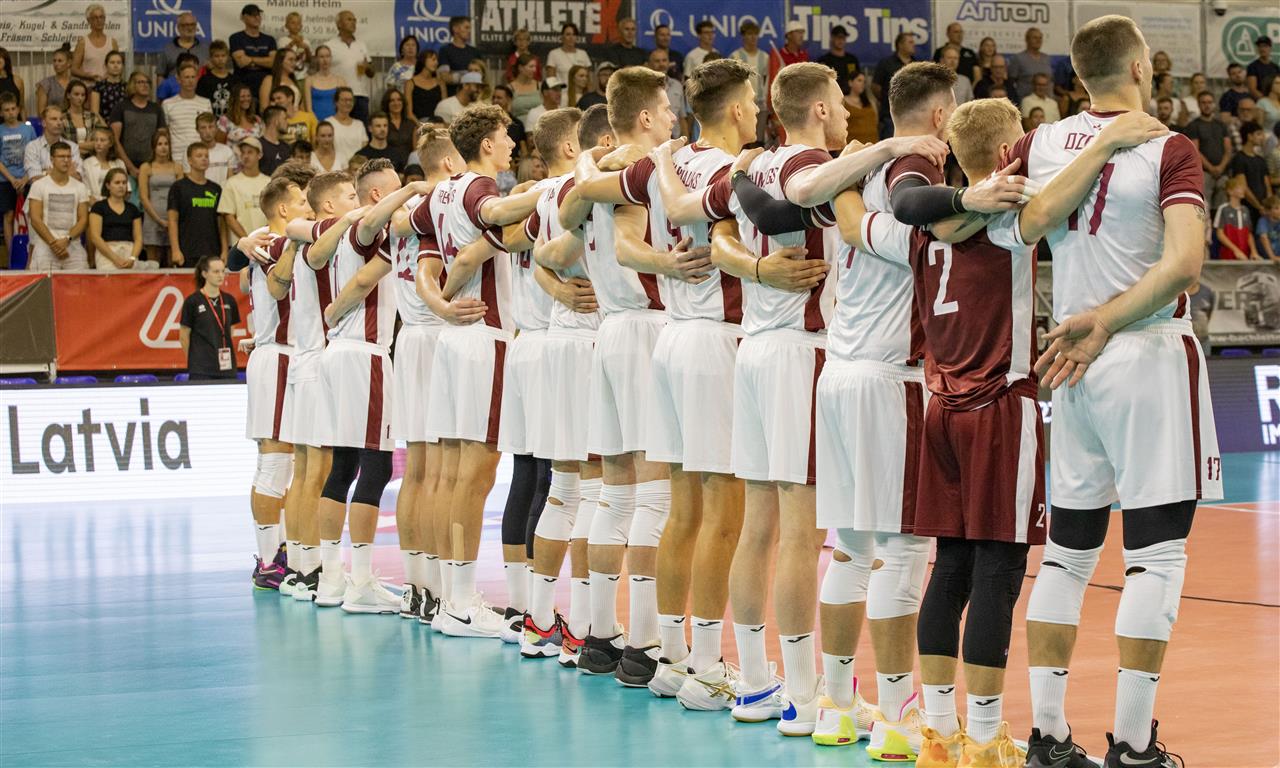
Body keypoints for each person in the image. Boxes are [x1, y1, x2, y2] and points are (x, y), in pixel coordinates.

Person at [1013, 15, 1222, 767]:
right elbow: (1185, 265)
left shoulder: (1039, 143)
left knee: (1066, 559)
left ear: (1077, 77)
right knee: (1155, 559)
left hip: (1068, 363)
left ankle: (1046, 737)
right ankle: (1134, 748)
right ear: (1140, 67)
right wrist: (1105, 320)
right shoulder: (1170, 147)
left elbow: (1022, 222)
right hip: (1141, 351)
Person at [405, 105, 541, 633]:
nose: (512, 144)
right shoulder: (478, 188)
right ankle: (462, 602)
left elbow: (423, 263)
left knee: (446, 476)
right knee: (474, 477)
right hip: (485, 336)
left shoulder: (438, 194)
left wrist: (439, 305)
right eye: (506, 136)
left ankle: (446, 595)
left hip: (451, 340)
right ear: (486, 144)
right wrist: (556, 188)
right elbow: (499, 214)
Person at [309, 162, 429, 612]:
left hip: (339, 352)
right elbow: (363, 271)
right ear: (378, 195)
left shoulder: (334, 231)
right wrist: (413, 188)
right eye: (395, 187)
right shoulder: (364, 230)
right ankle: (359, 582)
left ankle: (331, 578)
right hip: (363, 354)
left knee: (341, 467)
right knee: (376, 468)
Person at [239, 176, 305, 590]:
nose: (309, 206)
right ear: (283, 209)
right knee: (275, 463)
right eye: (302, 200)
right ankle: (268, 561)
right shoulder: (276, 244)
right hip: (279, 357)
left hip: (279, 354)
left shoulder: (263, 243)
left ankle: (278, 552)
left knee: (286, 463)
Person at [26, 140, 89, 271]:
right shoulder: (39, 185)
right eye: (61, 156)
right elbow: (35, 219)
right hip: (45, 246)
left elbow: (83, 219)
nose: (66, 160)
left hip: (72, 245)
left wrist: (67, 239)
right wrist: (54, 244)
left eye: (69, 156)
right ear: (52, 159)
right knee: (43, 284)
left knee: (80, 283)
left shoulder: (80, 187)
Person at [180, 256, 241, 379]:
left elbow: (230, 331)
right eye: (216, 272)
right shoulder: (193, 301)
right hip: (201, 370)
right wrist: (194, 361)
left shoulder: (229, 300)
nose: (221, 275)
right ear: (204, 274)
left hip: (227, 367)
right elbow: (183, 336)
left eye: (223, 271)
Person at [167, 143, 225, 267]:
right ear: (189, 160)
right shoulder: (178, 187)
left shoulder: (216, 189)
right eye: (199, 156)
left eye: (206, 156)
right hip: (187, 250)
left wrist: (224, 250)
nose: (204, 159)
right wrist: (175, 250)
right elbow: (172, 220)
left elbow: (221, 222)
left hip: (212, 250)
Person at [88, 168, 146, 270]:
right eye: (117, 183)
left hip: (129, 252)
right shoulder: (98, 207)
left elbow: (138, 238)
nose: (121, 186)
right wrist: (115, 258)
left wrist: (132, 258)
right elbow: (95, 237)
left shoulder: (133, 209)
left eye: (124, 183)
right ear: (108, 185)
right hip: (107, 253)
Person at [1184, 90, 1232, 208]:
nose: (1207, 105)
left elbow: (1228, 150)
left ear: (1214, 104)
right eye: (1203, 102)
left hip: (1222, 172)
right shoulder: (1193, 126)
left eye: (1210, 102)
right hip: (1204, 172)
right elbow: (1195, 150)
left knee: (1222, 207)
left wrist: (1221, 167)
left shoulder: (1221, 125)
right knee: (1204, 207)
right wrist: (1211, 168)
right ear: (1198, 104)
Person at [0, 93, 32, 262]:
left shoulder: (28, 129)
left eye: (13, 109)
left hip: (26, 178)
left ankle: (30, 254)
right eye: (6, 110)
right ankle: (11, 255)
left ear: (18, 110)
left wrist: (25, 178)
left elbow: (35, 154)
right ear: (1, 112)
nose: (11, 112)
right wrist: (12, 179)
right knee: (9, 215)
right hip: (5, 180)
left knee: (30, 215)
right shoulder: (0, 130)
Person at [325, 10, 373, 121]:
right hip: (339, 96)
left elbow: (371, 73)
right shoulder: (330, 45)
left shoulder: (362, 45)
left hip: (360, 95)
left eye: (354, 20)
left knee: (361, 128)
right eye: (349, 19)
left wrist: (368, 67)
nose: (353, 22)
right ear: (339, 24)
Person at [218, 137, 269, 242]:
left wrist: (262, 240)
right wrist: (249, 241)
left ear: (259, 155)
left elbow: (275, 215)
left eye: (250, 152)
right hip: (241, 244)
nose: (245, 156)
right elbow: (229, 217)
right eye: (243, 153)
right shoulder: (231, 183)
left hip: (266, 242)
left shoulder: (269, 182)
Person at [139, 129, 178, 264]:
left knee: (172, 261)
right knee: (153, 263)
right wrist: (159, 220)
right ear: (153, 147)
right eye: (159, 144)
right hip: (152, 218)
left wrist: (172, 221)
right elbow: (143, 197)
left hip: (173, 219)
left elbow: (181, 195)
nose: (163, 147)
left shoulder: (177, 167)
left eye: (166, 144)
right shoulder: (146, 167)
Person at [163, 62, 213, 164]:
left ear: (197, 79)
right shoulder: (167, 104)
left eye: (193, 77)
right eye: (186, 77)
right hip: (177, 159)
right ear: (178, 79)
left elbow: (210, 132)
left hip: (201, 158)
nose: (190, 81)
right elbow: (165, 134)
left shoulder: (206, 103)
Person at [230, 4, 277, 106]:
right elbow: (241, 62)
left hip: (266, 86)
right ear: (244, 18)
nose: (257, 18)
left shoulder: (269, 39)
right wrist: (264, 61)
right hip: (243, 86)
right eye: (253, 15)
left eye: (258, 15)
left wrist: (251, 59)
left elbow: (273, 62)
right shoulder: (236, 38)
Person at [24, 106, 84, 185]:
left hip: (68, 191)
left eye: (61, 119)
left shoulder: (73, 147)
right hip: (42, 192)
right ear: (44, 123)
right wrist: (64, 173)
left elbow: (77, 178)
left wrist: (47, 173)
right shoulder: (32, 147)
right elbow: (35, 180)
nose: (59, 123)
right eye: (54, 119)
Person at [730, 22, 769, 141]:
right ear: (743, 36)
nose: (753, 37)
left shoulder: (765, 57)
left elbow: (765, 80)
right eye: (749, 34)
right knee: (744, 138)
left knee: (759, 139)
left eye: (755, 34)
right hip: (742, 104)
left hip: (761, 105)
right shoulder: (735, 56)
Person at [874, 32, 917, 137]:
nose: (913, 45)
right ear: (900, 45)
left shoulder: (917, 64)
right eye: (910, 42)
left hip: (913, 117)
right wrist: (887, 99)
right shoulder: (886, 63)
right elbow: (875, 87)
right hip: (890, 117)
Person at [1229, 122, 1272, 221]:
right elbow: (1243, 186)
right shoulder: (1239, 159)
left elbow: (1267, 186)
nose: (1262, 137)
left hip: (1265, 208)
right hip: (1247, 208)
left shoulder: (1260, 160)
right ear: (1249, 136)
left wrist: (1268, 205)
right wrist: (1258, 206)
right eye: (1258, 134)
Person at [1215, 177, 1260, 260]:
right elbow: (1220, 234)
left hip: (1244, 252)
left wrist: (1254, 251)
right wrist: (1236, 250)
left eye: (1243, 188)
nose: (1243, 190)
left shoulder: (1245, 210)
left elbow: (1249, 233)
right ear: (1230, 191)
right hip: (1228, 253)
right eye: (1239, 188)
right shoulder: (1223, 209)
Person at [648, 50, 690, 138]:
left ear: (668, 63)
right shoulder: (643, 87)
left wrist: (687, 141)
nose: (661, 64)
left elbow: (682, 117)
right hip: (653, 140)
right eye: (657, 61)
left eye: (664, 60)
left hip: (676, 140)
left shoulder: (677, 85)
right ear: (649, 64)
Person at [71, 4, 117, 84]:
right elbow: (74, 69)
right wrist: (88, 76)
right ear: (89, 20)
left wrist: (109, 76)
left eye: (101, 17)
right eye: (95, 18)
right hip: (89, 87)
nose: (99, 20)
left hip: (109, 87)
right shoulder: (83, 43)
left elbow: (118, 65)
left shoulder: (112, 42)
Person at [82, 126, 125, 204]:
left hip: (116, 204)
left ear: (110, 143)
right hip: (94, 205)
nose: (98, 143)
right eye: (96, 140)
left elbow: (126, 189)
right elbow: (85, 190)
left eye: (102, 140)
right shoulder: (87, 163)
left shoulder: (119, 163)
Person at [324, 88, 366, 166]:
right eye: (344, 100)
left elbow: (364, 150)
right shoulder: (328, 123)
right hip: (336, 168)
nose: (348, 103)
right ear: (336, 102)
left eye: (350, 100)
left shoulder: (359, 125)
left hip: (357, 168)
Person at [439, 16, 480, 94]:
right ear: (455, 29)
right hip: (454, 95)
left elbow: (482, 75)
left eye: (470, 28)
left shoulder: (475, 52)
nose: (469, 31)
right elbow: (445, 77)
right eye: (466, 28)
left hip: (473, 95)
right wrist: (468, 76)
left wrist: (455, 75)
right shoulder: (445, 50)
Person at [1007, 27, 1052, 98]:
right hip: (1025, 100)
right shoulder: (1018, 58)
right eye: (1035, 38)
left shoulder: (1047, 58)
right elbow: (1011, 82)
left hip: (1046, 100)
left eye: (1040, 38)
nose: (1038, 40)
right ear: (1027, 40)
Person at [62, 80, 104, 156]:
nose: (80, 98)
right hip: (69, 157)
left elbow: (100, 141)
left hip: (91, 157)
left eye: (83, 95)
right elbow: (61, 144)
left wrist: (74, 146)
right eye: (76, 94)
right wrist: (86, 146)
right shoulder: (62, 118)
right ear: (68, 95)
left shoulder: (92, 117)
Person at [161, 12, 209, 78]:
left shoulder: (206, 49)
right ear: (178, 27)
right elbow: (160, 75)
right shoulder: (167, 49)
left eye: (192, 24)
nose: (190, 28)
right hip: (174, 85)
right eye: (186, 25)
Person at [216, 83, 264, 148]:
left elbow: (263, 143)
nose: (246, 99)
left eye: (248, 96)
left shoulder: (257, 119)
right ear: (234, 99)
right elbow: (219, 146)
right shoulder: (225, 120)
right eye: (242, 96)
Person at [260, 49, 303, 116]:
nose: (294, 63)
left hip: (297, 119)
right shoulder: (269, 79)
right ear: (280, 61)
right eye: (290, 59)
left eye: (295, 60)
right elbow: (263, 107)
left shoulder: (294, 81)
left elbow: (301, 106)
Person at [819, 26, 860, 95]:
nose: (841, 40)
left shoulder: (852, 60)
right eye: (838, 37)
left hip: (849, 96)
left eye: (843, 38)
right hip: (830, 95)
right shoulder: (824, 60)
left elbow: (857, 80)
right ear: (832, 38)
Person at [36, 46, 73, 119]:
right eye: (54, 61)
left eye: (60, 61)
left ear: (69, 63)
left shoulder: (75, 83)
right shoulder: (46, 84)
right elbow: (41, 112)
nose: (56, 64)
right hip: (52, 122)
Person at [91, 51, 127, 122]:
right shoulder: (98, 87)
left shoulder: (127, 87)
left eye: (119, 63)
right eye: (112, 62)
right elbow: (94, 112)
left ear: (123, 66)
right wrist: (105, 126)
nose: (115, 66)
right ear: (105, 66)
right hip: (103, 124)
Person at [844, 71, 878, 143]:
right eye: (859, 80)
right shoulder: (843, 102)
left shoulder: (870, 102)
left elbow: (876, 121)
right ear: (850, 83)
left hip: (872, 143)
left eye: (864, 82)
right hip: (852, 144)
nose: (862, 84)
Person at [507, 54, 541, 123]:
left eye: (535, 67)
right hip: (519, 125)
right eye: (531, 66)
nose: (534, 70)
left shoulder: (540, 86)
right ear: (520, 68)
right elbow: (507, 111)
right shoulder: (510, 88)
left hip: (538, 124)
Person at [258, 106, 292, 175]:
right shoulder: (258, 145)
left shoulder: (286, 147)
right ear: (276, 121)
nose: (288, 122)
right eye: (285, 119)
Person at [278, 12, 311, 79]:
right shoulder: (282, 40)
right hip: (287, 76)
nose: (296, 25)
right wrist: (293, 42)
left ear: (301, 26)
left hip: (302, 76)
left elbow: (309, 61)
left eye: (298, 23)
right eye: (293, 23)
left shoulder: (306, 41)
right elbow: (281, 57)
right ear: (286, 25)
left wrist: (307, 49)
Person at [1248, 36, 1278, 101]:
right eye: (1260, 46)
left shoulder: (1276, 67)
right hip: (1260, 102)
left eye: (1265, 46)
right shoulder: (1252, 67)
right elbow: (1252, 90)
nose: (1262, 49)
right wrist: (1267, 102)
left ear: (1270, 48)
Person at [0, 48, 25, 118]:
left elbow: (22, 107)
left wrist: (24, 124)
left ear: (5, 59)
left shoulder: (17, 80)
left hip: (15, 122)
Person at [1257, 195, 1280, 260]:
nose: (1279, 210)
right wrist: (1272, 257)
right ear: (1268, 211)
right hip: (1267, 258)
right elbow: (1264, 238)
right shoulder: (1263, 221)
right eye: (1276, 208)